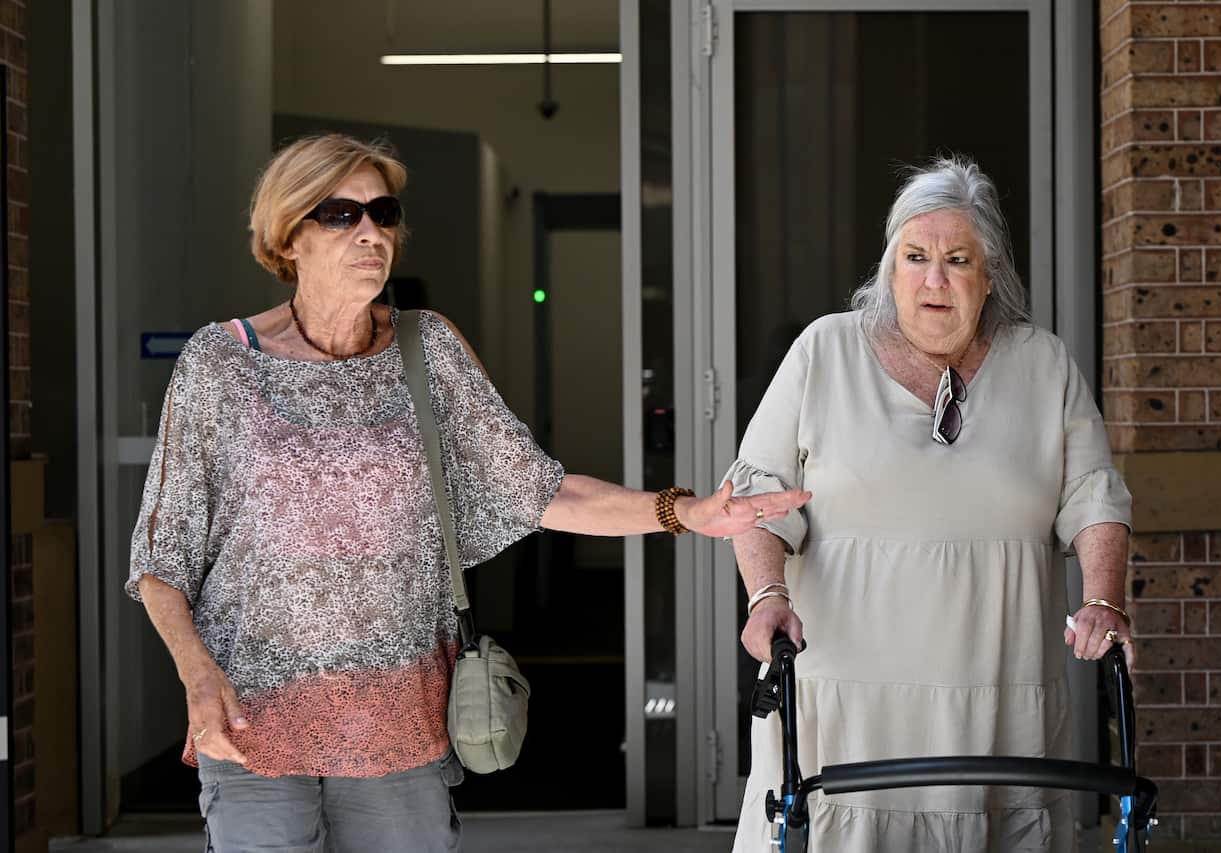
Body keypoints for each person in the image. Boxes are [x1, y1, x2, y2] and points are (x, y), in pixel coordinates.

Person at [126, 133, 809, 853]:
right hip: (253, 721)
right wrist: (197, 677)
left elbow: (540, 491)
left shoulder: (427, 349)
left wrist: (684, 512)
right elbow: (162, 556)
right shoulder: (220, 364)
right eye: (342, 215)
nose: (371, 232)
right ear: (288, 236)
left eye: (384, 213)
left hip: (399, 724)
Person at [726, 156, 1133, 852]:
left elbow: (1094, 494)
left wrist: (1104, 599)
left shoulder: (1043, 365)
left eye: (957, 260)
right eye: (915, 257)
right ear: (890, 268)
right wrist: (766, 593)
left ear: (990, 274)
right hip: (849, 703)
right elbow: (759, 490)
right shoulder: (824, 352)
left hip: (1001, 698)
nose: (934, 279)